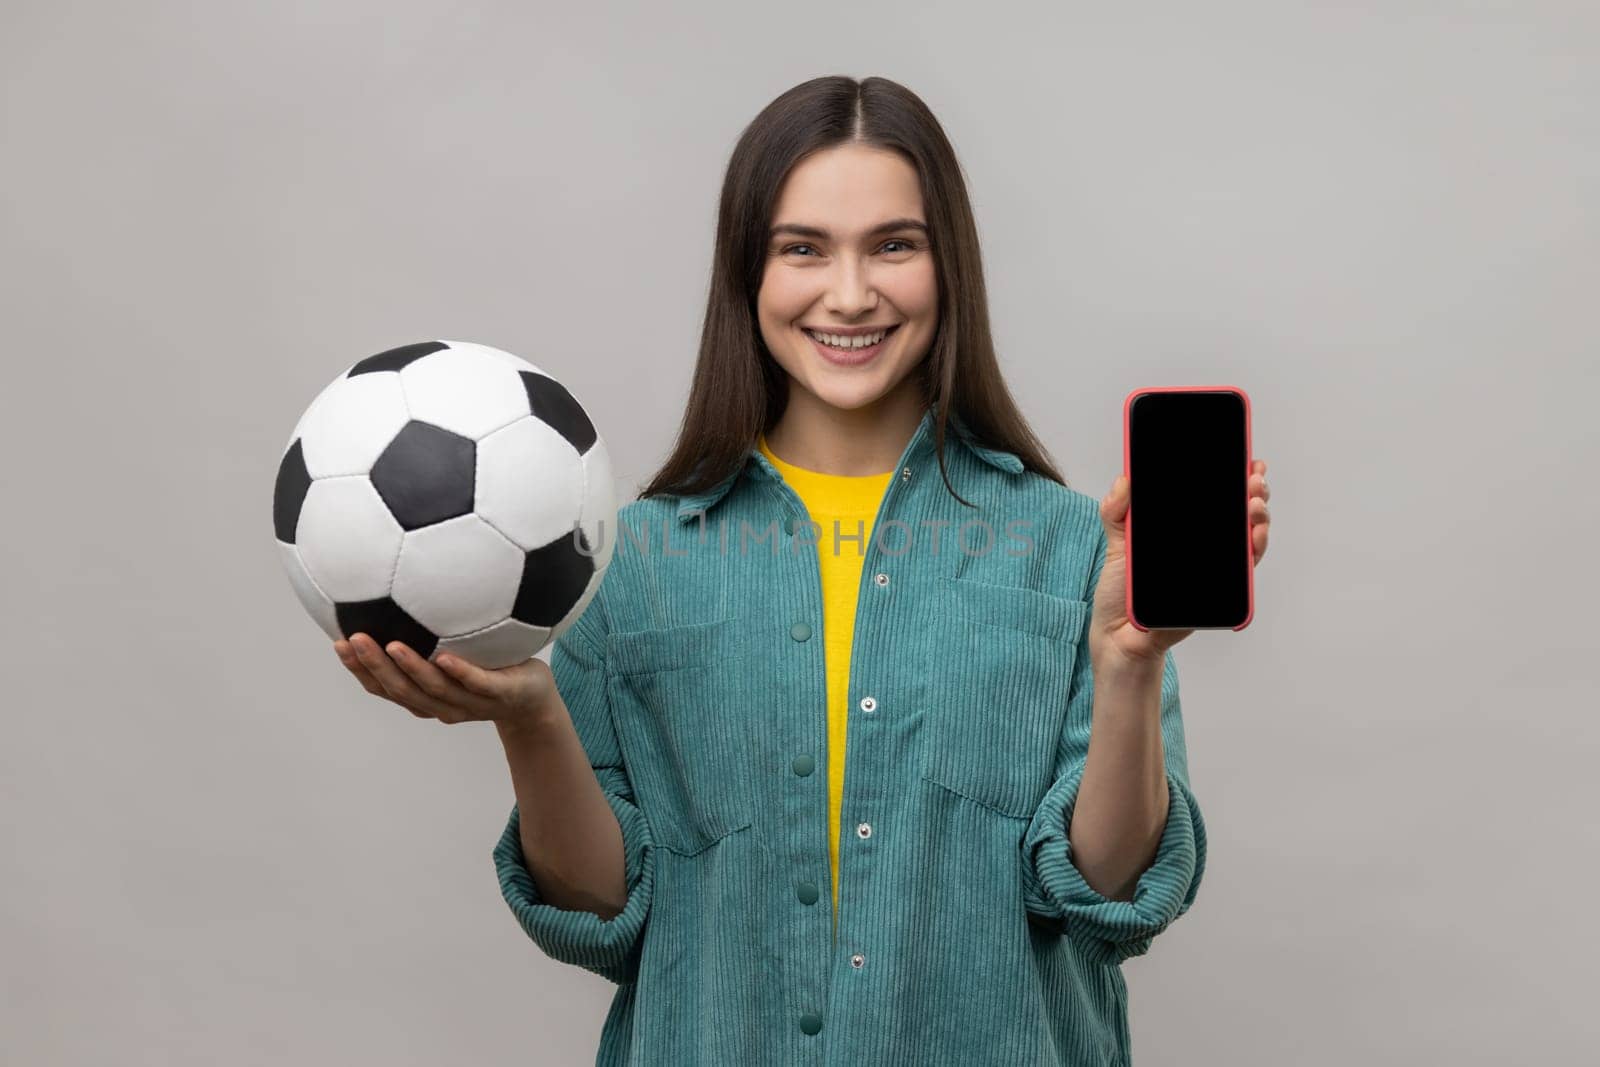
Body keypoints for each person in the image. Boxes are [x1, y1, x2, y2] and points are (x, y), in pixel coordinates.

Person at [334, 74, 1272, 1066]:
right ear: (748, 273)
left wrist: (1128, 662)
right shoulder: (629, 561)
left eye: (893, 245)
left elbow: (1112, 897)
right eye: (803, 248)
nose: (851, 292)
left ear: (947, 266)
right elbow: (597, 910)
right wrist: (530, 716)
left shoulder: (1076, 547)